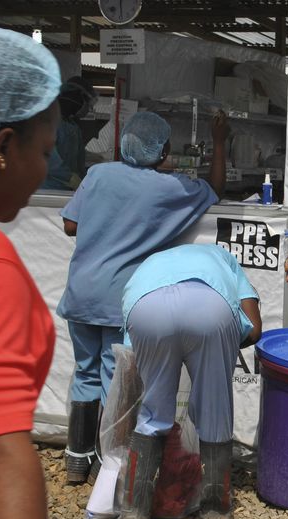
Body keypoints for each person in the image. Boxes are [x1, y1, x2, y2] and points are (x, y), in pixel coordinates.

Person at [58, 110, 230, 485]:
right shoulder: (168, 188)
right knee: (114, 377)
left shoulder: (98, 174)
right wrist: (219, 142)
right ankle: (108, 467)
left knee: (85, 372)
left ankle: (75, 459)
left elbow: (71, 224)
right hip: (118, 299)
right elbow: (215, 188)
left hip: (81, 291)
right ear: (164, 149)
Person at [115, 243, 262, 519]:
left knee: (151, 416)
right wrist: (217, 348)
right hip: (210, 310)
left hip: (146, 309)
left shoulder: (151, 263)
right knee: (214, 414)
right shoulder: (224, 258)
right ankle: (215, 513)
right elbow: (254, 328)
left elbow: (133, 362)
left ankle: (134, 515)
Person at [0, 28, 61, 519]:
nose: (46, 169)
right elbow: (5, 455)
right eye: (44, 151)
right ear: (4, 145)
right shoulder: (1, 273)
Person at [41, 76, 97, 190]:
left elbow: (78, 159)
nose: (88, 108)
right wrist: (69, 178)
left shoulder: (73, 126)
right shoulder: (48, 123)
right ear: (75, 98)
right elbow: (49, 159)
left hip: (68, 191)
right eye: (87, 103)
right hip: (48, 192)